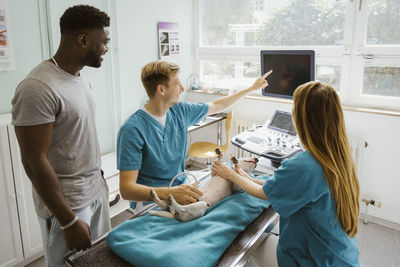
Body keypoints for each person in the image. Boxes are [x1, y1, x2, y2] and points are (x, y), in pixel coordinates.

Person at [212, 81, 360, 266]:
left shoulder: (303, 165)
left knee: (244, 247)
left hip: (313, 260)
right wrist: (246, 177)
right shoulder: (339, 156)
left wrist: (230, 175)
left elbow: (265, 194)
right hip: (342, 256)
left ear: (303, 119)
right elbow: (280, 186)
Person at [11, 5, 111, 266]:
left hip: (94, 190)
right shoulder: (37, 88)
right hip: (69, 205)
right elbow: (33, 161)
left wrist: (99, 181)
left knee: (97, 261)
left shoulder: (80, 79)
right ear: (83, 40)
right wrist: (68, 220)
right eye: (104, 42)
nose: (106, 49)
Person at [117, 60, 272, 211]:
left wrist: (250, 89)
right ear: (162, 90)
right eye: (177, 84)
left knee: (227, 185)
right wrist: (171, 193)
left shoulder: (179, 111)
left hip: (182, 184)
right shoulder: (132, 129)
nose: (182, 88)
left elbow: (217, 105)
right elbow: (127, 190)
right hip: (151, 201)